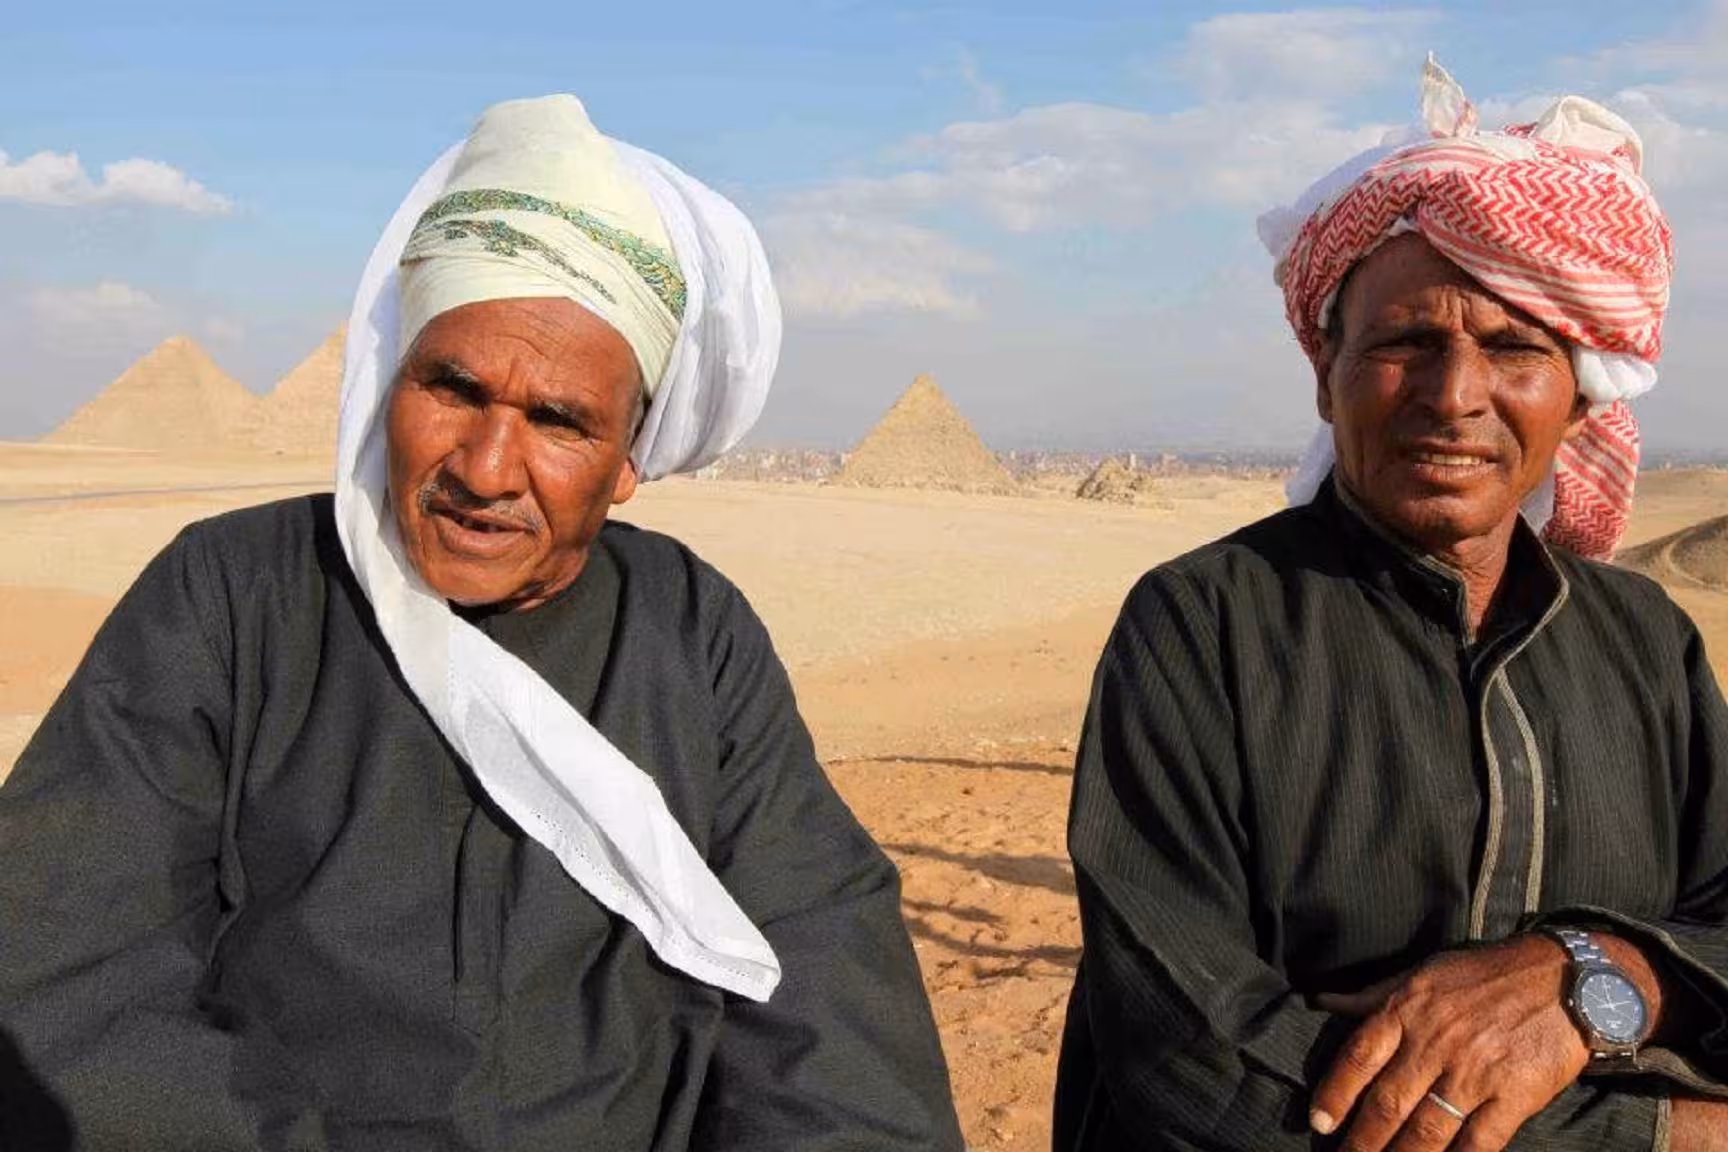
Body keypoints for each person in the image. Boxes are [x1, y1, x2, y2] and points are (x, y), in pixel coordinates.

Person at [0, 95, 962, 1151]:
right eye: (452, 388)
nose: (485, 470)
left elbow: (822, 991)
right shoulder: (234, 596)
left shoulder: (692, 635)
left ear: (630, 459)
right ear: (389, 383)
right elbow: (67, 966)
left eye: (558, 421)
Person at [1053, 58, 1728, 1151]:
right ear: (1327, 376)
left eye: (1515, 347)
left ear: (1580, 393)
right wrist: (1655, 1136)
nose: (1454, 394)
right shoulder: (1202, 626)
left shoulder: (1644, 644)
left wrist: (1598, 975)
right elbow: (1189, 1051)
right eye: (1406, 341)